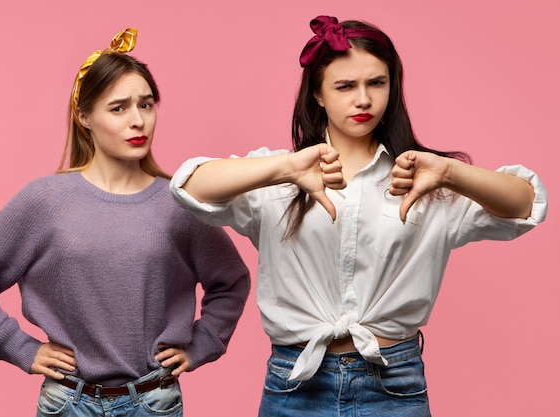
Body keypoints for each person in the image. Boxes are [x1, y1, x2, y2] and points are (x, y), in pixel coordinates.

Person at [169, 16, 548, 417]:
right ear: (317, 94)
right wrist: (285, 169)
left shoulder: (423, 177)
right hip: (295, 383)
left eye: (376, 83)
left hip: (394, 383)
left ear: (392, 87)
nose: (363, 99)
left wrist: (449, 172)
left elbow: (525, 204)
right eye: (346, 86)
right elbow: (190, 186)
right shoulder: (282, 175)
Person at [0, 28, 250, 417]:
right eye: (118, 108)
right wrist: (19, 347)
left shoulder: (179, 202)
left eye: (147, 104)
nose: (138, 121)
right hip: (68, 402)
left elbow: (232, 280)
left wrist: (203, 342)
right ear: (84, 116)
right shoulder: (45, 200)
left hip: (153, 401)